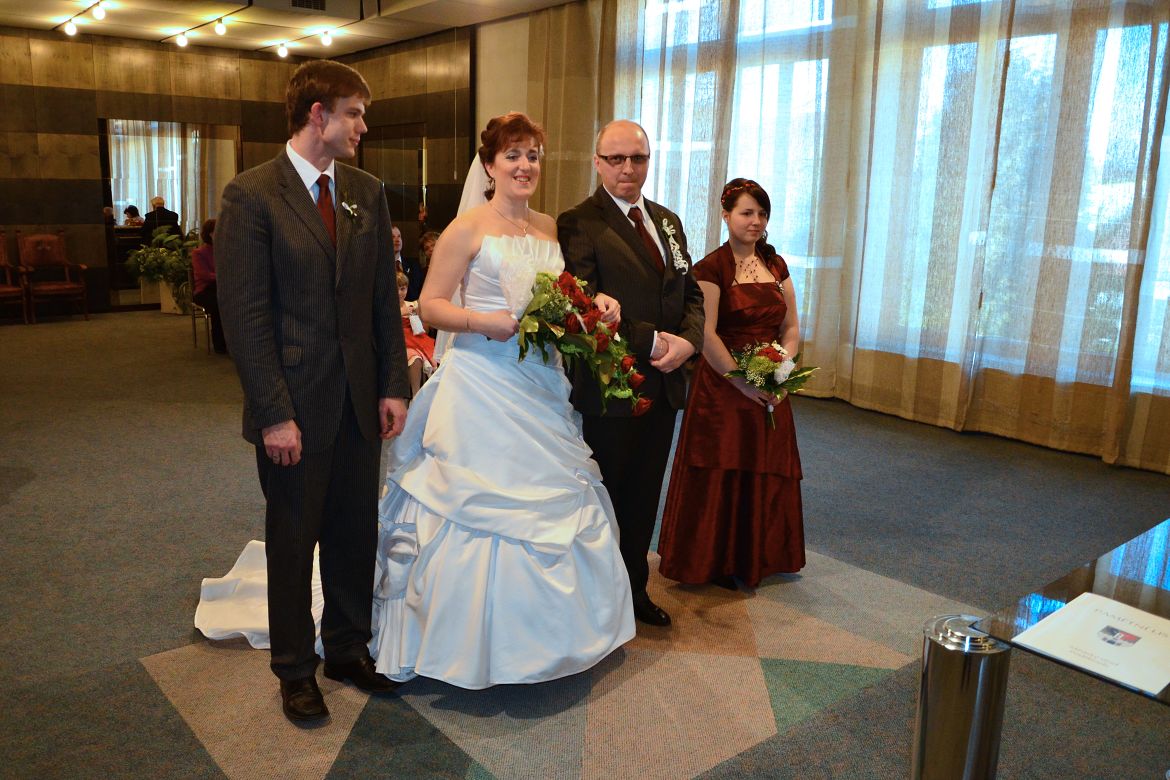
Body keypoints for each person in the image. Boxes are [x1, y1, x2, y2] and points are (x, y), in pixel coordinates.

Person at [370, 111, 635, 688]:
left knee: (555, 499)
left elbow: (563, 296)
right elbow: (430, 304)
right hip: (481, 383)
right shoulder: (466, 228)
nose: (524, 165)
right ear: (489, 165)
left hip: (540, 385)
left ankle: (555, 638)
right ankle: (460, 642)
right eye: (512, 155)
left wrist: (595, 305)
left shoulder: (549, 228)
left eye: (533, 155)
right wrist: (480, 321)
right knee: (472, 504)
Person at [210, 59, 410, 723]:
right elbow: (245, 317)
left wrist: (393, 384)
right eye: (354, 113)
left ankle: (348, 648)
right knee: (294, 541)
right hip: (294, 404)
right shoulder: (251, 195)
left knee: (356, 532)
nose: (362, 126)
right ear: (317, 115)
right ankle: (295, 668)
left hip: (359, 400)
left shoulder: (365, 191)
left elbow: (383, 299)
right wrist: (274, 414)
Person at [557, 120, 705, 628]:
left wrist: (688, 342)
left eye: (637, 159)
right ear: (597, 162)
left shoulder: (667, 221)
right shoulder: (579, 222)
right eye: (616, 159)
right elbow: (583, 303)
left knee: (645, 495)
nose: (627, 169)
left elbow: (691, 293)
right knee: (608, 496)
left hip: (665, 381)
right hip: (612, 383)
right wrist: (654, 341)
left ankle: (635, 589)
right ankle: (600, 601)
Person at [657, 179, 805, 589]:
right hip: (723, 386)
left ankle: (762, 555)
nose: (755, 221)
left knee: (766, 464)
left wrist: (781, 371)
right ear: (726, 215)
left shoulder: (777, 265)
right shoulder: (711, 268)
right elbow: (706, 334)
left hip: (769, 381)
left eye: (762, 214)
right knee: (723, 468)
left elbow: (791, 327)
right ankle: (715, 560)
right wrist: (742, 384)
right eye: (746, 213)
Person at [191, 218, 227, 354]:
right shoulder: (199, 253)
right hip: (205, 291)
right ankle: (220, 343)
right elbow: (204, 275)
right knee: (220, 303)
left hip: (222, 287)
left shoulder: (225, 251)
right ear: (210, 234)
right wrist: (224, 277)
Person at [397, 270, 435, 396]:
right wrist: (401, 313)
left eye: (403, 289)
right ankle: (415, 394)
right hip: (399, 341)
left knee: (433, 355)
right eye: (396, 289)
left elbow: (423, 329)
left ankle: (424, 395)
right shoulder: (388, 307)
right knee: (415, 358)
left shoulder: (412, 305)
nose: (400, 293)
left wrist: (416, 315)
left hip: (416, 339)